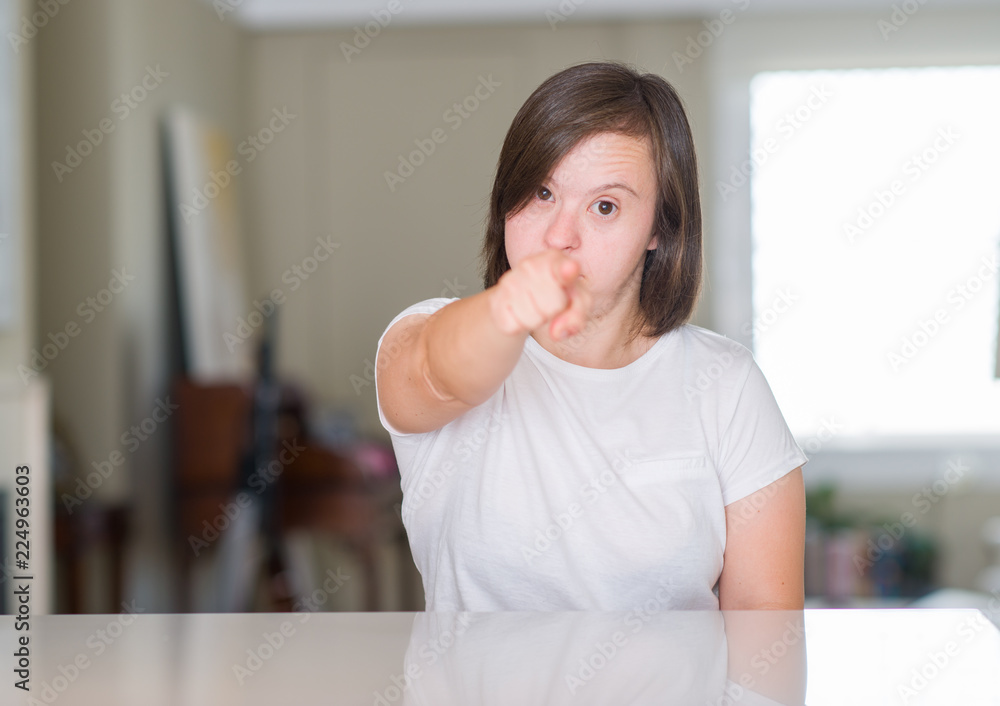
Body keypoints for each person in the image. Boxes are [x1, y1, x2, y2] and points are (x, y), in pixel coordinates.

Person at [375, 61, 808, 612]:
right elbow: (435, 375)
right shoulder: (426, 331)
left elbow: (764, 651)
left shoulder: (728, 385)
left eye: (605, 206)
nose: (559, 236)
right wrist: (510, 306)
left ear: (659, 229)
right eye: (541, 192)